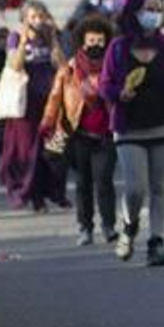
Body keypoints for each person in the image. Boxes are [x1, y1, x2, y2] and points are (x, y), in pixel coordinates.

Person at [99, 0, 164, 267]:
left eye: (158, 9)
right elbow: (104, 85)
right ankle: (129, 227)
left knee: (159, 187)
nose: (154, 14)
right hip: (129, 129)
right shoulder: (118, 48)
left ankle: (156, 241)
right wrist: (119, 93)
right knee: (135, 188)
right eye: (149, 8)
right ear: (134, 11)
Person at [42, 15, 118, 246]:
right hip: (78, 136)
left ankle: (108, 226)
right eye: (91, 40)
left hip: (106, 136)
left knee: (104, 181)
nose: (95, 44)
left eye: (100, 40)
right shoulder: (70, 69)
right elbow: (55, 97)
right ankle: (85, 227)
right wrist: (47, 123)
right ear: (81, 42)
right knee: (83, 182)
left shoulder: (113, 67)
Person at [0, 3, 69, 212]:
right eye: (33, 17)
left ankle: (52, 192)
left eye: (41, 16)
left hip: (48, 100)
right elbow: (14, 65)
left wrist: (53, 39)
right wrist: (23, 42)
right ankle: (30, 195)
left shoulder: (49, 37)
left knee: (52, 149)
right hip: (25, 103)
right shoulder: (14, 38)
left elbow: (62, 66)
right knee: (27, 150)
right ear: (25, 19)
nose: (38, 21)